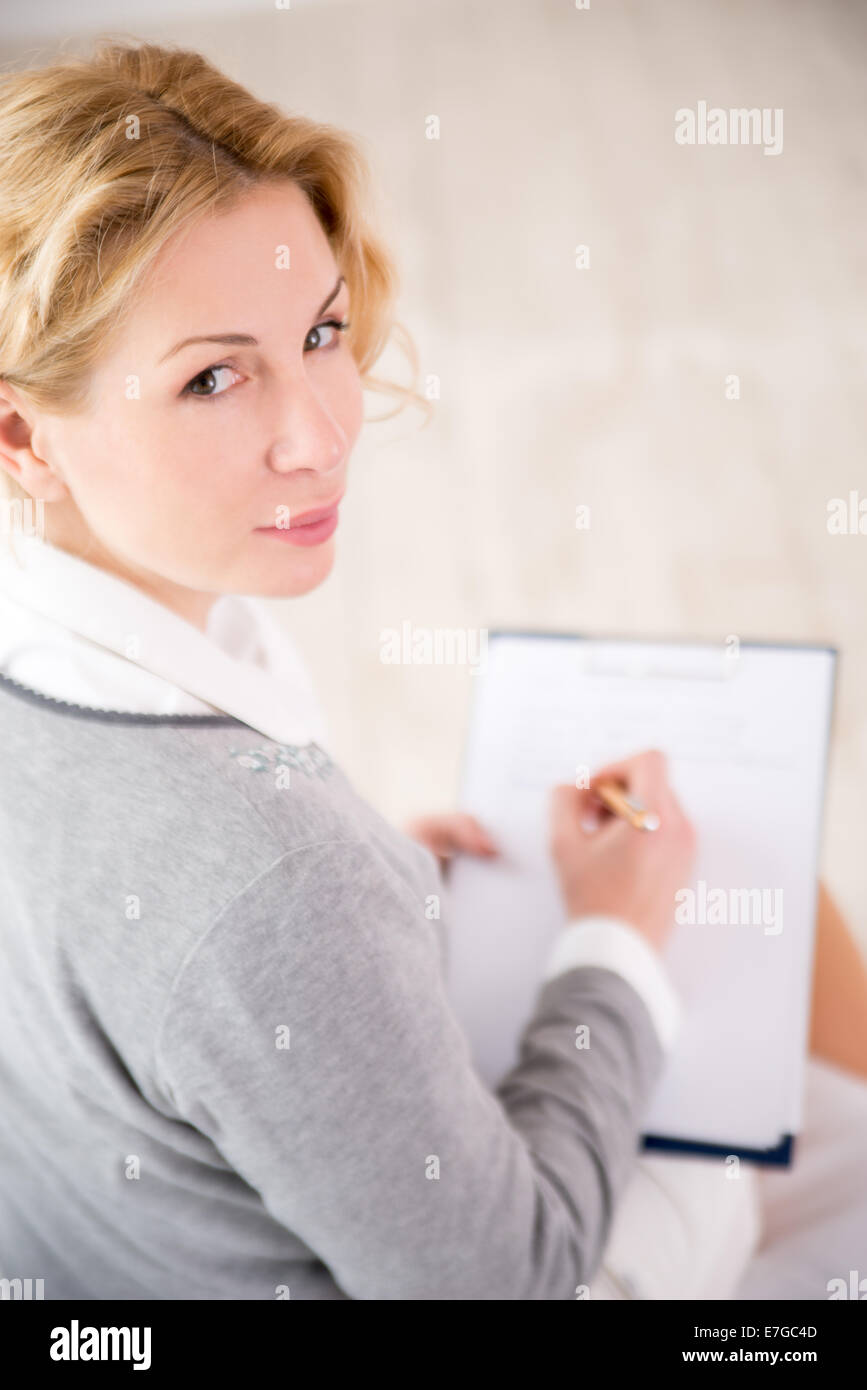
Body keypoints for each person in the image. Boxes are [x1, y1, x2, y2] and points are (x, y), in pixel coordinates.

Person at [0, 38, 863, 1302]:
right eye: (215, 376)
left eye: (322, 332)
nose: (323, 430)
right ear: (21, 432)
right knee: (776, 904)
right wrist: (611, 942)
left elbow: (129, 965)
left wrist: (360, 921)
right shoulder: (271, 878)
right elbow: (506, 1285)